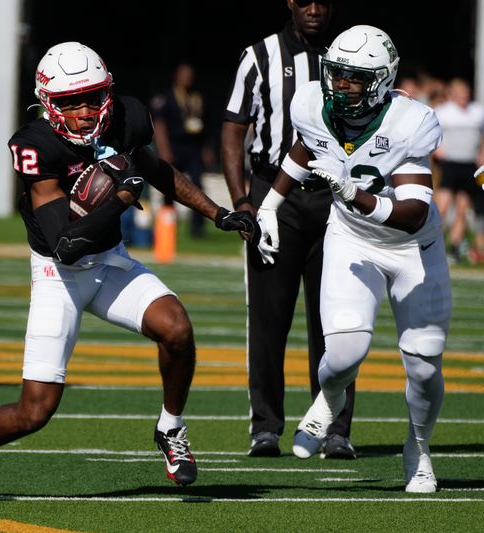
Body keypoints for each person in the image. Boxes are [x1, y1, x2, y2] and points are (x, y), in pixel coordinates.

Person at [0, 42, 256, 499]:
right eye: (70, 102)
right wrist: (122, 197)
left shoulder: (125, 117)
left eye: (91, 97)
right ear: (48, 103)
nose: (84, 111)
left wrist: (217, 213)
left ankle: (170, 427)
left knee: (177, 329)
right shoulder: (34, 145)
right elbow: (65, 245)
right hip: (58, 274)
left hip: (111, 260)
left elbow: (157, 169)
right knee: (35, 411)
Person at [255, 25, 451, 493]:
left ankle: (418, 449)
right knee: (343, 353)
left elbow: (412, 213)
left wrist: (354, 194)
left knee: (423, 363)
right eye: (336, 74)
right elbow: (306, 147)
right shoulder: (311, 104)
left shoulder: (409, 123)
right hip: (351, 238)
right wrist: (268, 206)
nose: (340, 85)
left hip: (412, 248)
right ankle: (328, 397)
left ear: (382, 81)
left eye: (353, 78)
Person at [221, 0, 356, 458]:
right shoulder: (258, 55)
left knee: (337, 320)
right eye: (307, 0)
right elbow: (233, 128)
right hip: (272, 195)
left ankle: (335, 428)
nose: (316, 9)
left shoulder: (352, 56)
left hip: (336, 196)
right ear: (290, 3)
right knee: (268, 317)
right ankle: (266, 426)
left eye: (324, 0)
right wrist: (242, 201)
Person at [150, 63, 216, 238]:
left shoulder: (199, 96)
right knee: (169, 186)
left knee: (197, 185)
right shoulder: (166, 97)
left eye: (190, 75)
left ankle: (197, 228)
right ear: (176, 76)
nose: (187, 78)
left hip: (193, 147)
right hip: (173, 147)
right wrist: (164, 150)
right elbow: (159, 124)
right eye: (184, 75)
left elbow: (206, 126)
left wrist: (206, 149)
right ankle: (167, 225)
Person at [432, 78, 484, 264]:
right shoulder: (443, 112)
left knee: (462, 209)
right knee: (442, 208)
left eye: (466, 94)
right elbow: (431, 135)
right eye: (460, 94)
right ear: (452, 94)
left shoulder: (477, 112)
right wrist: (439, 151)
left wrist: (481, 154)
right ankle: (432, 246)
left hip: (469, 165)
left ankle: (454, 248)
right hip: (450, 165)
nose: (464, 98)